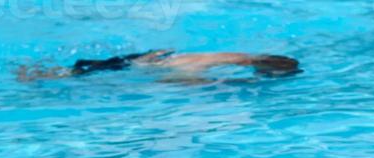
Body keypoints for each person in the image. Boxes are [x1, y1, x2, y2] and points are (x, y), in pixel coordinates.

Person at [18, 50, 300, 83]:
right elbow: (176, 82)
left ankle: (38, 70)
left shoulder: (236, 56)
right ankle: (34, 75)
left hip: (150, 56)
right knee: (73, 74)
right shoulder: (195, 72)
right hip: (138, 68)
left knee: (86, 66)